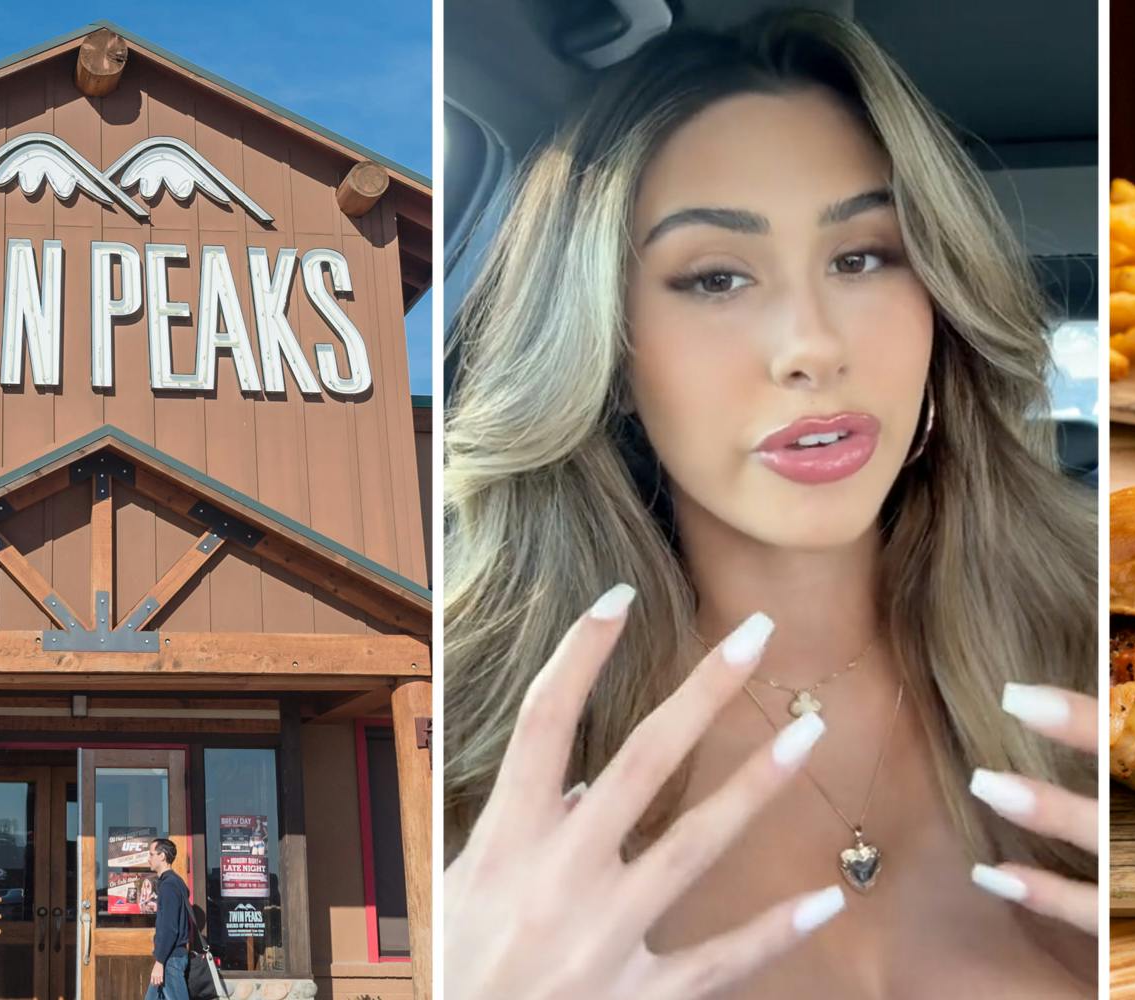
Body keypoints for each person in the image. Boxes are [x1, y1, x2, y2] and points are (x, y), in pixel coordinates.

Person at [443, 10, 1097, 998]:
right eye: (713, 276)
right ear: (609, 353)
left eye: (862, 255)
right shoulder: (470, 762)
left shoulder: (1114, 659)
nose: (810, 344)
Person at [146, 838, 191, 1000]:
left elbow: (170, 928)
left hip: (171, 959)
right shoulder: (176, 883)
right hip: (170, 957)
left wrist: (160, 962)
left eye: (151, 854)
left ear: (162, 856)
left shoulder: (169, 885)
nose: (148, 858)